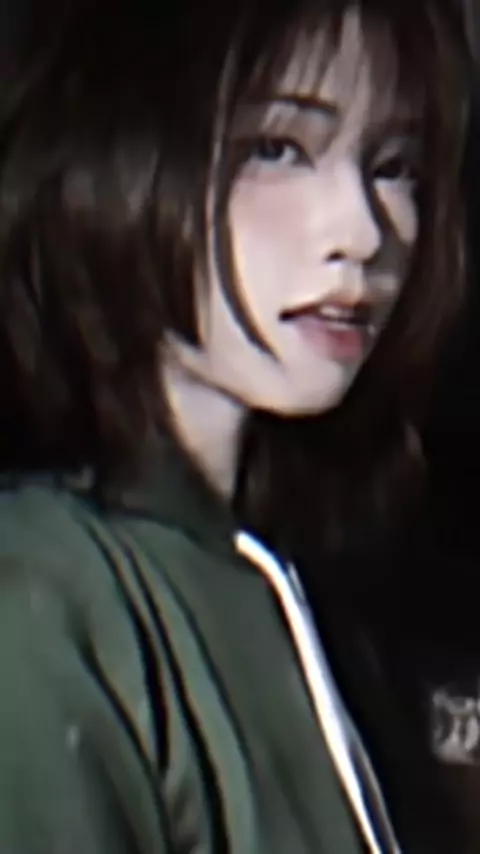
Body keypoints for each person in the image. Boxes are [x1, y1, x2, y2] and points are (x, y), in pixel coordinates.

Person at [0, 0, 467, 851]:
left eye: (394, 165)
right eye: (276, 148)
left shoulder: (335, 588)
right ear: (118, 152)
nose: (363, 232)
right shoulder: (42, 596)